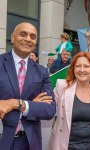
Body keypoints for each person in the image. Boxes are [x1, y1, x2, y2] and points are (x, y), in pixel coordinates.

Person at [0, 22, 56, 150]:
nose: (28, 39)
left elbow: (49, 110)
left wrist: (17, 104)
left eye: (33, 36)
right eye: (23, 34)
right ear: (13, 37)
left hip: (29, 142)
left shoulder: (42, 72)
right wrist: (31, 105)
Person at [49, 52, 90, 150]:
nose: (82, 70)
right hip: (66, 146)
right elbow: (48, 108)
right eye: (78, 66)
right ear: (73, 69)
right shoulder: (62, 86)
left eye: (86, 66)